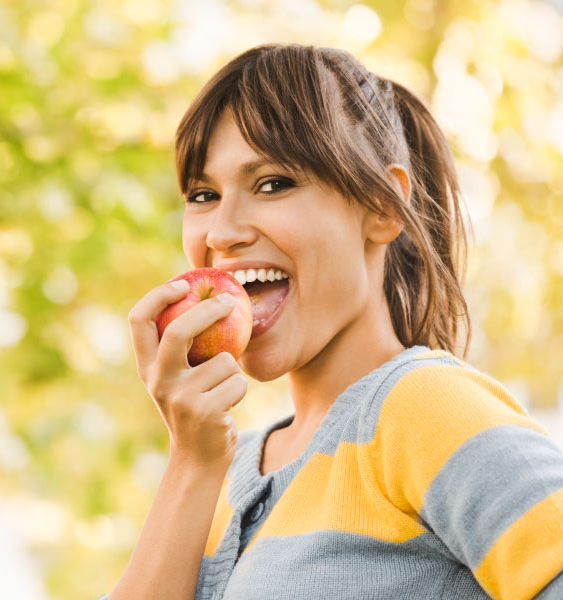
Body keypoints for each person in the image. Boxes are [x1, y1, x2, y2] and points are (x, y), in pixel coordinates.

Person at [98, 44, 563, 600]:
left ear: (384, 205)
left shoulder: (424, 408)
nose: (221, 233)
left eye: (273, 183)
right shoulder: (222, 471)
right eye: (203, 195)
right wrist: (191, 464)